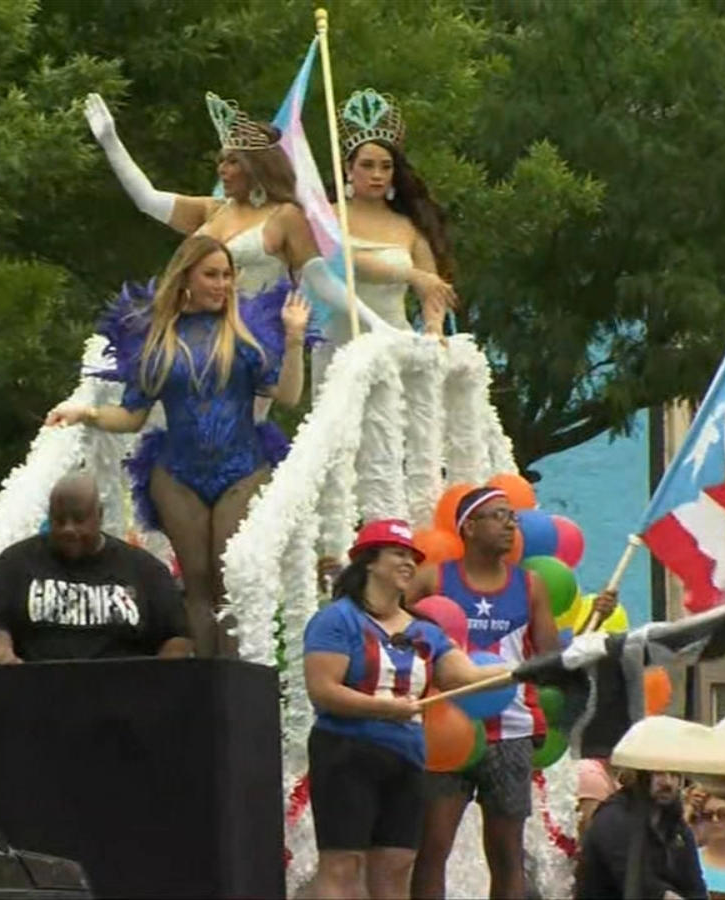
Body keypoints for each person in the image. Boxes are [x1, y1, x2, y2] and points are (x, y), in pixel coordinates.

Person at [48, 236, 308, 659]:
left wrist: (294, 340)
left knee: (230, 575)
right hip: (178, 474)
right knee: (198, 579)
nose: (222, 284)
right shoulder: (158, 341)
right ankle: (205, 683)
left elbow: (289, 395)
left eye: (227, 275)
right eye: (211, 275)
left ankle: (236, 681)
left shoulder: (244, 334)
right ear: (186, 277)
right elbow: (131, 415)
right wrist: (85, 414)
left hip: (241, 468)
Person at [405, 486, 618, 900]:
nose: (510, 525)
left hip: (511, 731)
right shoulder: (433, 578)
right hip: (447, 730)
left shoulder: (530, 585)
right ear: (468, 526)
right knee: (433, 848)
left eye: (513, 518)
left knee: (506, 854)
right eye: (499, 516)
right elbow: (388, 624)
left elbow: (550, 659)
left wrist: (593, 623)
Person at [303, 519, 512, 900]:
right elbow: (323, 690)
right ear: (369, 561)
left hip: (407, 757)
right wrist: (381, 708)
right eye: (398, 554)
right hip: (346, 752)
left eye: (413, 557)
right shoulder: (337, 620)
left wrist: (527, 670)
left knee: (397, 865)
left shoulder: (425, 630)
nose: (409, 564)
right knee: (343, 863)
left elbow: (465, 676)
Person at [84, 91, 395, 332]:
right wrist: (111, 142)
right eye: (222, 161)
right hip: (192, 332)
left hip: (254, 341)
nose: (223, 170)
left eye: (233, 162)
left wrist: (375, 322)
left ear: (256, 168)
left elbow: (322, 280)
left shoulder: (285, 216)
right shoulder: (212, 209)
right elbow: (147, 200)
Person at [312, 89, 459, 396]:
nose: (377, 175)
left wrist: (433, 326)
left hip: (395, 346)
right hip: (339, 347)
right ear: (348, 169)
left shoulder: (408, 226)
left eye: (386, 166)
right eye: (367, 165)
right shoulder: (326, 218)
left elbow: (431, 286)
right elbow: (342, 258)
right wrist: (408, 274)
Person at [0, 474, 193, 663]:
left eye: (79, 520)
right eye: (59, 520)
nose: (68, 530)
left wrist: (159, 678)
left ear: (99, 515)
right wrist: (3, 655)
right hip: (37, 693)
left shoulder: (144, 569)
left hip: (123, 696)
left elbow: (177, 636)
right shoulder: (16, 562)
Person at [577, 769, 708, 900]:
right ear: (639, 776)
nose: (667, 783)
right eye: (659, 773)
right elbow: (640, 884)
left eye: (674, 775)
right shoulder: (612, 817)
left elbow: (695, 886)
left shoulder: (676, 824)